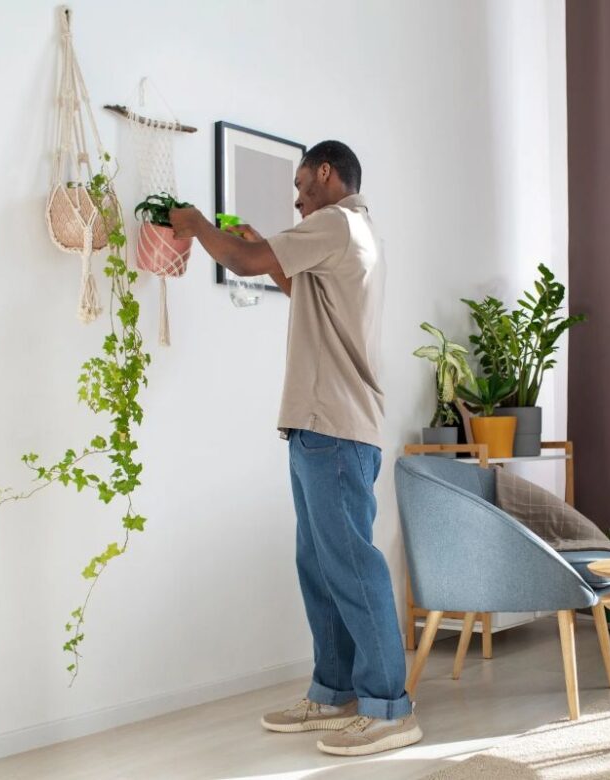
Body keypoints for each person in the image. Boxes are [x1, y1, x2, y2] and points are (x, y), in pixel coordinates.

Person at [169, 141, 420, 756]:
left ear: (326, 173)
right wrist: (261, 246)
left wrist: (197, 225)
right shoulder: (352, 232)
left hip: (332, 425)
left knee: (351, 567)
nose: (298, 197)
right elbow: (287, 279)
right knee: (320, 567)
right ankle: (333, 692)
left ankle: (390, 708)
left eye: (301, 184)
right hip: (321, 427)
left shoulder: (336, 222)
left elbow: (246, 261)